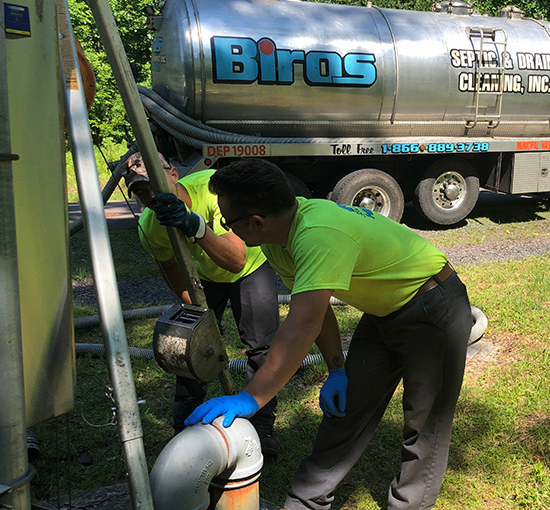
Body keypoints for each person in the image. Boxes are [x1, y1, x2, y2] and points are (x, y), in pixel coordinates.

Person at [185, 158, 473, 510]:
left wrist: (251, 397)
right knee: (347, 409)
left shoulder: (317, 234)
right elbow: (315, 312)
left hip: (433, 306)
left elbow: (302, 325)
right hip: (384, 313)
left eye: (228, 223)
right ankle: (306, 502)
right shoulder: (277, 238)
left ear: (256, 222)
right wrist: (337, 369)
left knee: (425, 423)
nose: (226, 230)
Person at [122, 152, 281, 456]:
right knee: (189, 344)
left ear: (173, 174)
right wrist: (196, 316)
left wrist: (194, 226)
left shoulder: (214, 191)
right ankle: (186, 426)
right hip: (206, 275)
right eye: (141, 191)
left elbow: (236, 260)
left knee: (261, 346)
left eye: (155, 182)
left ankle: (262, 425)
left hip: (250, 267)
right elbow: (171, 269)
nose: (151, 195)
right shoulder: (151, 226)